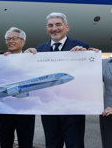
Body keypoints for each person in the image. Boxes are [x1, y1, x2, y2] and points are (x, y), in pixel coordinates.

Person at [24, 12, 88, 148]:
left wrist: (86, 56)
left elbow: (88, 76)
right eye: (50, 25)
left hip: (73, 109)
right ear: (47, 29)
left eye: (58, 24)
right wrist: (23, 58)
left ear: (67, 27)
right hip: (49, 110)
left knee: (75, 144)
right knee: (52, 144)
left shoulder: (82, 47)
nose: (54, 28)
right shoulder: (38, 50)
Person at [0, 27, 35, 148]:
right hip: (5, 108)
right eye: (8, 39)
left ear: (23, 41)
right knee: (5, 142)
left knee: (26, 142)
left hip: (25, 109)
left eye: (14, 38)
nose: (10, 41)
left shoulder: (33, 58)